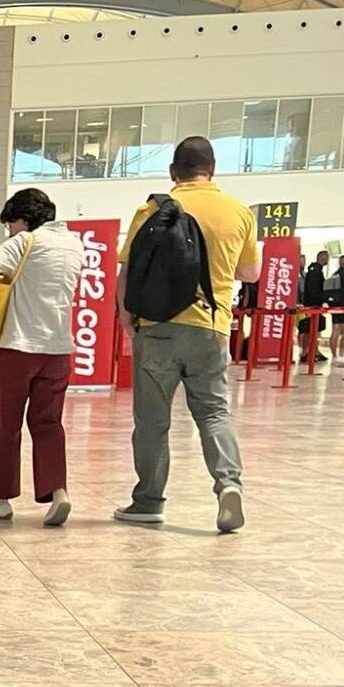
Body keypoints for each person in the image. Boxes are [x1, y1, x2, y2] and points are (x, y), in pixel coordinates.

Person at [112, 135, 259, 534]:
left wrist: (127, 321)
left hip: (156, 328)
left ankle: (148, 501)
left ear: (173, 172)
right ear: (212, 170)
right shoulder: (239, 212)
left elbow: (126, 272)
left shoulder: (152, 209)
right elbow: (251, 274)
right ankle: (229, 484)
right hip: (210, 328)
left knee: (152, 421)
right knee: (213, 411)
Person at [0, 189, 83, 527]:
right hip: (60, 349)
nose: (10, 231)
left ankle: (0, 498)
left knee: (8, 424)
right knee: (48, 423)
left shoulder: (26, 242)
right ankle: (58, 492)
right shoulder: (74, 246)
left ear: (25, 219)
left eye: (11, 223)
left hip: (21, 347)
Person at [299, 249, 330, 365]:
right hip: (313, 305)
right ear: (322, 258)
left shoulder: (312, 270)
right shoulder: (316, 272)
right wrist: (319, 302)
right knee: (312, 329)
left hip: (310, 304)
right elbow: (314, 289)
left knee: (311, 329)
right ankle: (308, 352)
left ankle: (311, 351)